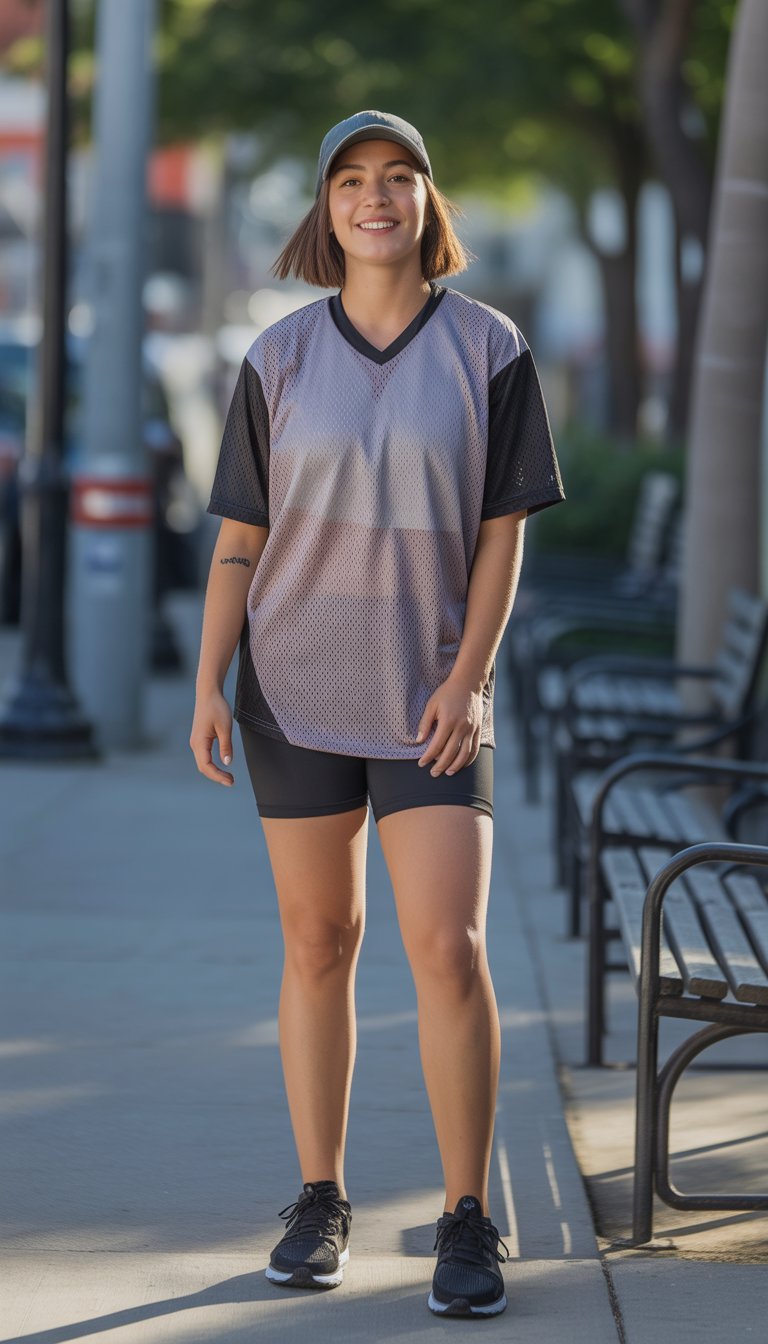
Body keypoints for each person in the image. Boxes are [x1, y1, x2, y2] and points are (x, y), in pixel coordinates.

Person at [190, 109, 565, 1319]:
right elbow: (242, 540)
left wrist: (468, 676)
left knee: (448, 951)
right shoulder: (280, 356)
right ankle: (321, 1198)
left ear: (427, 202)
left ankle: (465, 1216)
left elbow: (502, 531)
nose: (376, 197)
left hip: (435, 697)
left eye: (398, 178)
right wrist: (208, 678)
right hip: (291, 690)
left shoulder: (489, 348)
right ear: (325, 209)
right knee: (319, 946)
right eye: (353, 180)